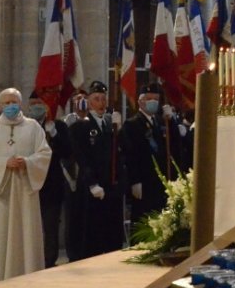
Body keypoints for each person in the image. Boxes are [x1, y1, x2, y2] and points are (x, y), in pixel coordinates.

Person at [0, 88, 52, 284]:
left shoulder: (33, 127)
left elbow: (44, 154)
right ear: (0, 105)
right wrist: (3, 163)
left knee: (25, 233)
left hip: (25, 188)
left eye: (14, 101)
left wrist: (27, 162)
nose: (11, 106)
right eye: (6, 102)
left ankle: (27, 278)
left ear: (20, 103)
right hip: (1, 192)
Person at [68, 80, 125, 257]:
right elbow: (82, 157)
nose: (101, 103)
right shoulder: (80, 126)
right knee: (93, 235)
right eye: (96, 99)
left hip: (112, 186)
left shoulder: (112, 123)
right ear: (89, 102)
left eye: (103, 99)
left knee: (112, 236)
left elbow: (120, 153)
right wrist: (92, 183)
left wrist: (119, 130)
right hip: (92, 188)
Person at [30, 91, 73, 268]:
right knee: (31, 227)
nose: (35, 107)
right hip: (31, 184)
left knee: (50, 226)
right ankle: (32, 259)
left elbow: (67, 152)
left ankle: (49, 261)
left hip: (52, 185)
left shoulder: (59, 126)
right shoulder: (27, 126)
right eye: (32, 104)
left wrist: (54, 134)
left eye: (39, 103)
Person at [123, 83, 170, 227]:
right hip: (143, 180)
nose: (153, 103)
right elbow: (130, 154)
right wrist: (135, 181)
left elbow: (167, 149)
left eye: (156, 99)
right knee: (142, 221)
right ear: (140, 101)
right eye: (149, 99)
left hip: (158, 180)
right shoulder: (132, 124)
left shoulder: (160, 122)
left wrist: (171, 122)